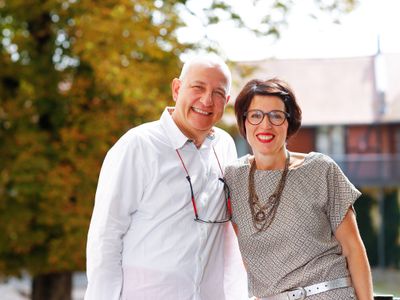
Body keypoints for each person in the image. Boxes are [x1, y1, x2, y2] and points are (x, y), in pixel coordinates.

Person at [85, 55, 247, 300]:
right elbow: (105, 236)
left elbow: (229, 237)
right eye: (198, 87)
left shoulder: (224, 146)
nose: (206, 100)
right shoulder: (138, 145)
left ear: (226, 101)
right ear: (177, 89)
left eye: (217, 93)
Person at [225, 78, 374, 300]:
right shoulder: (232, 179)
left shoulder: (320, 169)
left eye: (276, 116)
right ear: (244, 121)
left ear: (289, 122)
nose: (265, 125)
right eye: (256, 115)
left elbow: (353, 248)